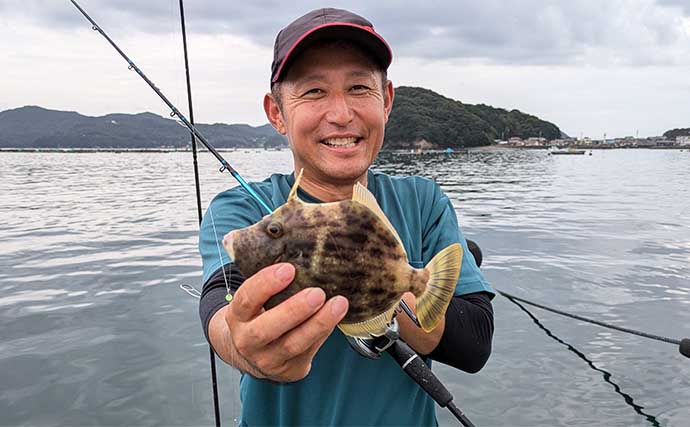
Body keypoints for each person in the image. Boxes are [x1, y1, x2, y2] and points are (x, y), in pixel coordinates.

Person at [198, 8, 494, 426]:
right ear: (277, 112)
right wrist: (241, 343)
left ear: (386, 101)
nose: (340, 114)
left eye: (358, 87)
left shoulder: (423, 201)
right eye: (314, 92)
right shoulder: (240, 207)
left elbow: (475, 343)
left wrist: (368, 278)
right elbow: (221, 301)